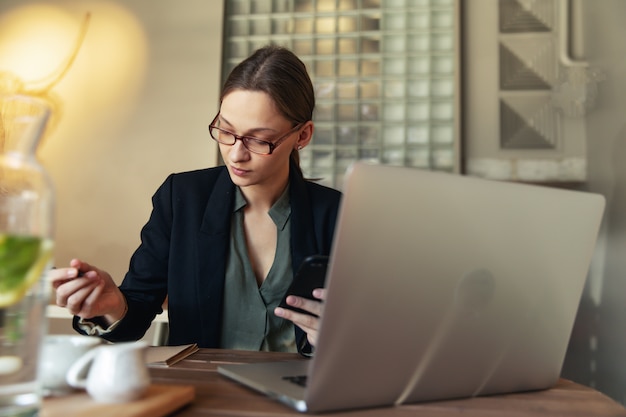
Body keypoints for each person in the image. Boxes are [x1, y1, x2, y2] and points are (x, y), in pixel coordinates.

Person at [50, 45, 342, 355]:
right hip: (200, 389)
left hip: (297, 395)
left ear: (302, 136)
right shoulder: (182, 199)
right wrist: (111, 304)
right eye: (226, 131)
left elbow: (361, 330)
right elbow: (135, 314)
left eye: (258, 139)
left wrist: (339, 337)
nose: (236, 153)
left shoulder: (337, 214)